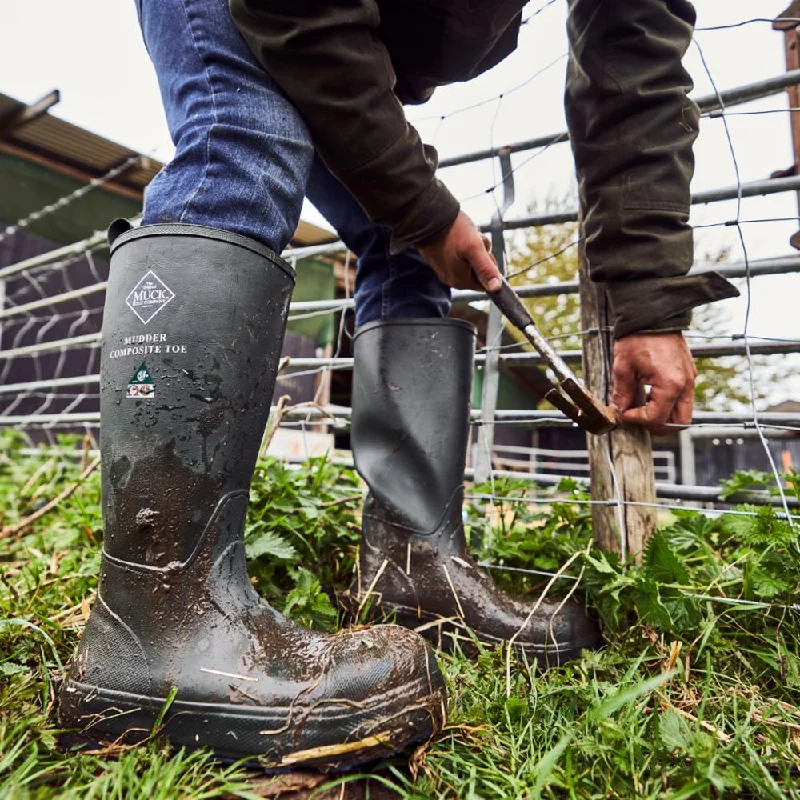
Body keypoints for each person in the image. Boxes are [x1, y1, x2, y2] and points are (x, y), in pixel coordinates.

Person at [59, 0, 737, 768]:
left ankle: (412, 570)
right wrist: (421, 205)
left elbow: (635, 72)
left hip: (349, 35)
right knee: (240, 145)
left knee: (406, 244)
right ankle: (155, 626)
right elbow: (296, 16)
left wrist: (647, 301)